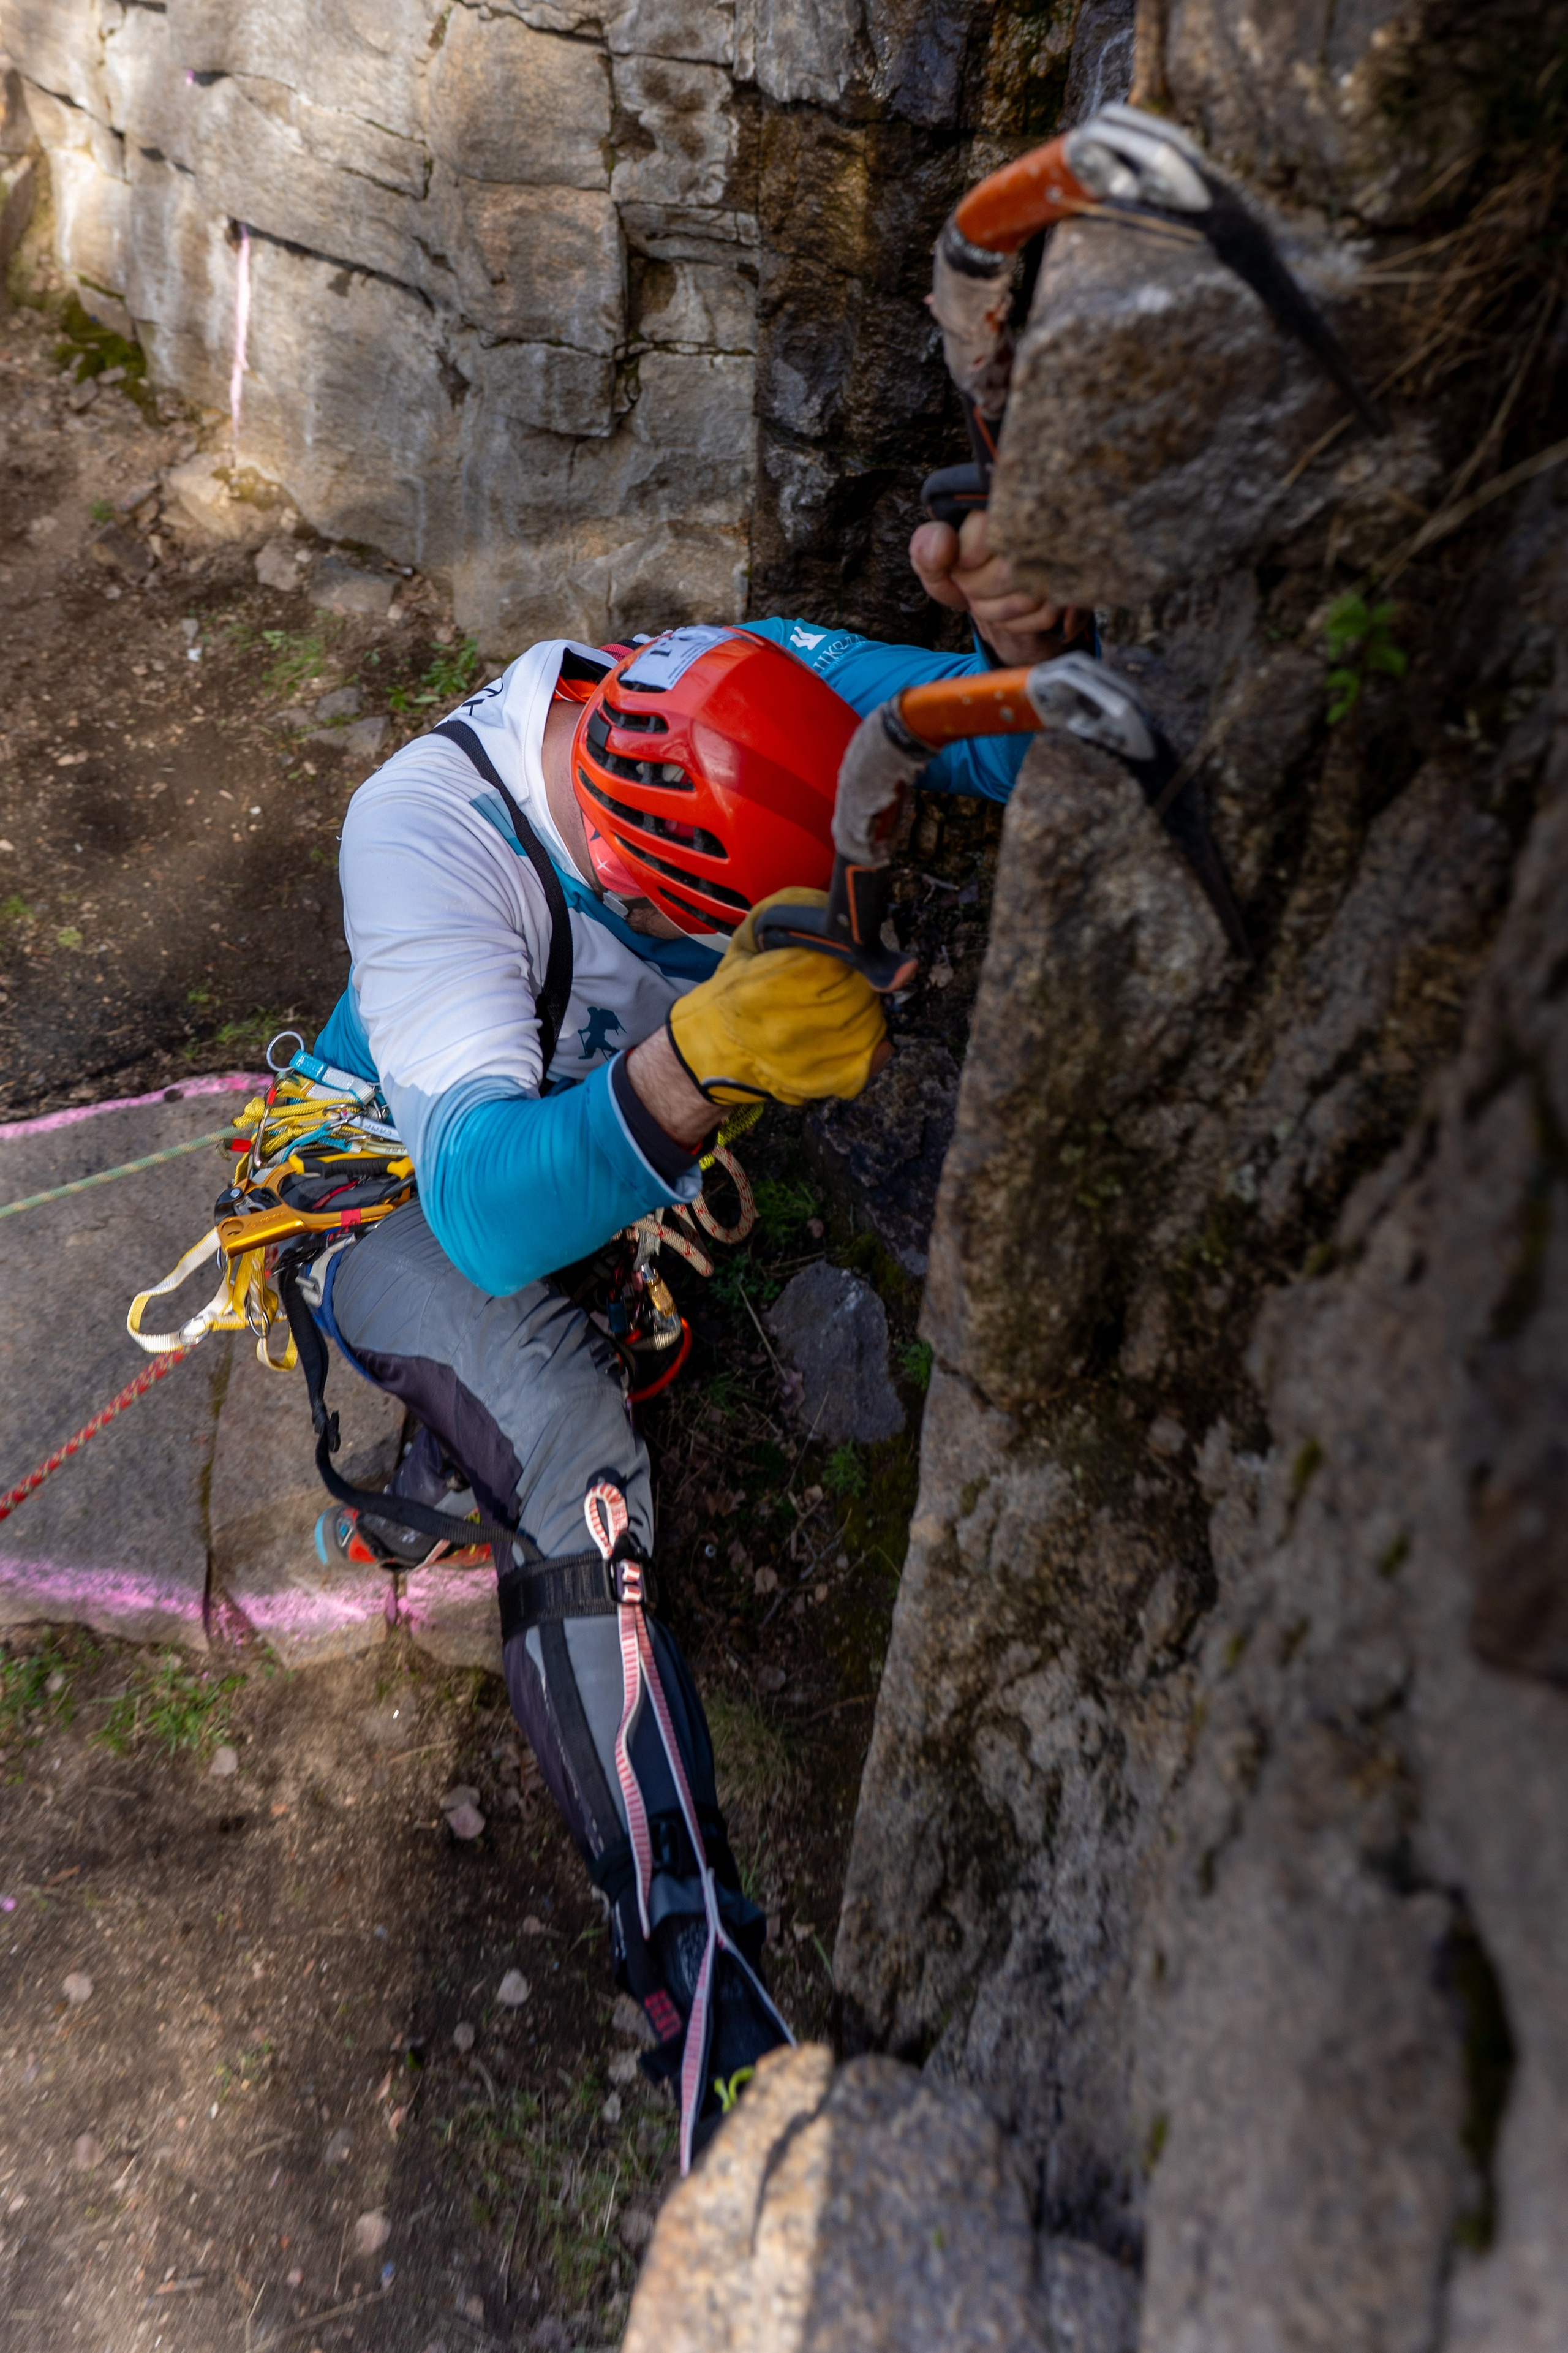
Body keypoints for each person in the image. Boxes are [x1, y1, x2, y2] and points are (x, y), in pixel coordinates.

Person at [300, 512, 1082, 2162]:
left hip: (547, 1147)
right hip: (383, 1186)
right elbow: (486, 1211)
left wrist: (1043, 634)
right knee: (575, 1441)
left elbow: (984, 730)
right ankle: (699, 1979)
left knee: (583, 1287)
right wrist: (705, 1060)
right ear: (652, 883)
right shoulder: (426, 831)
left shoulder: (762, 680)